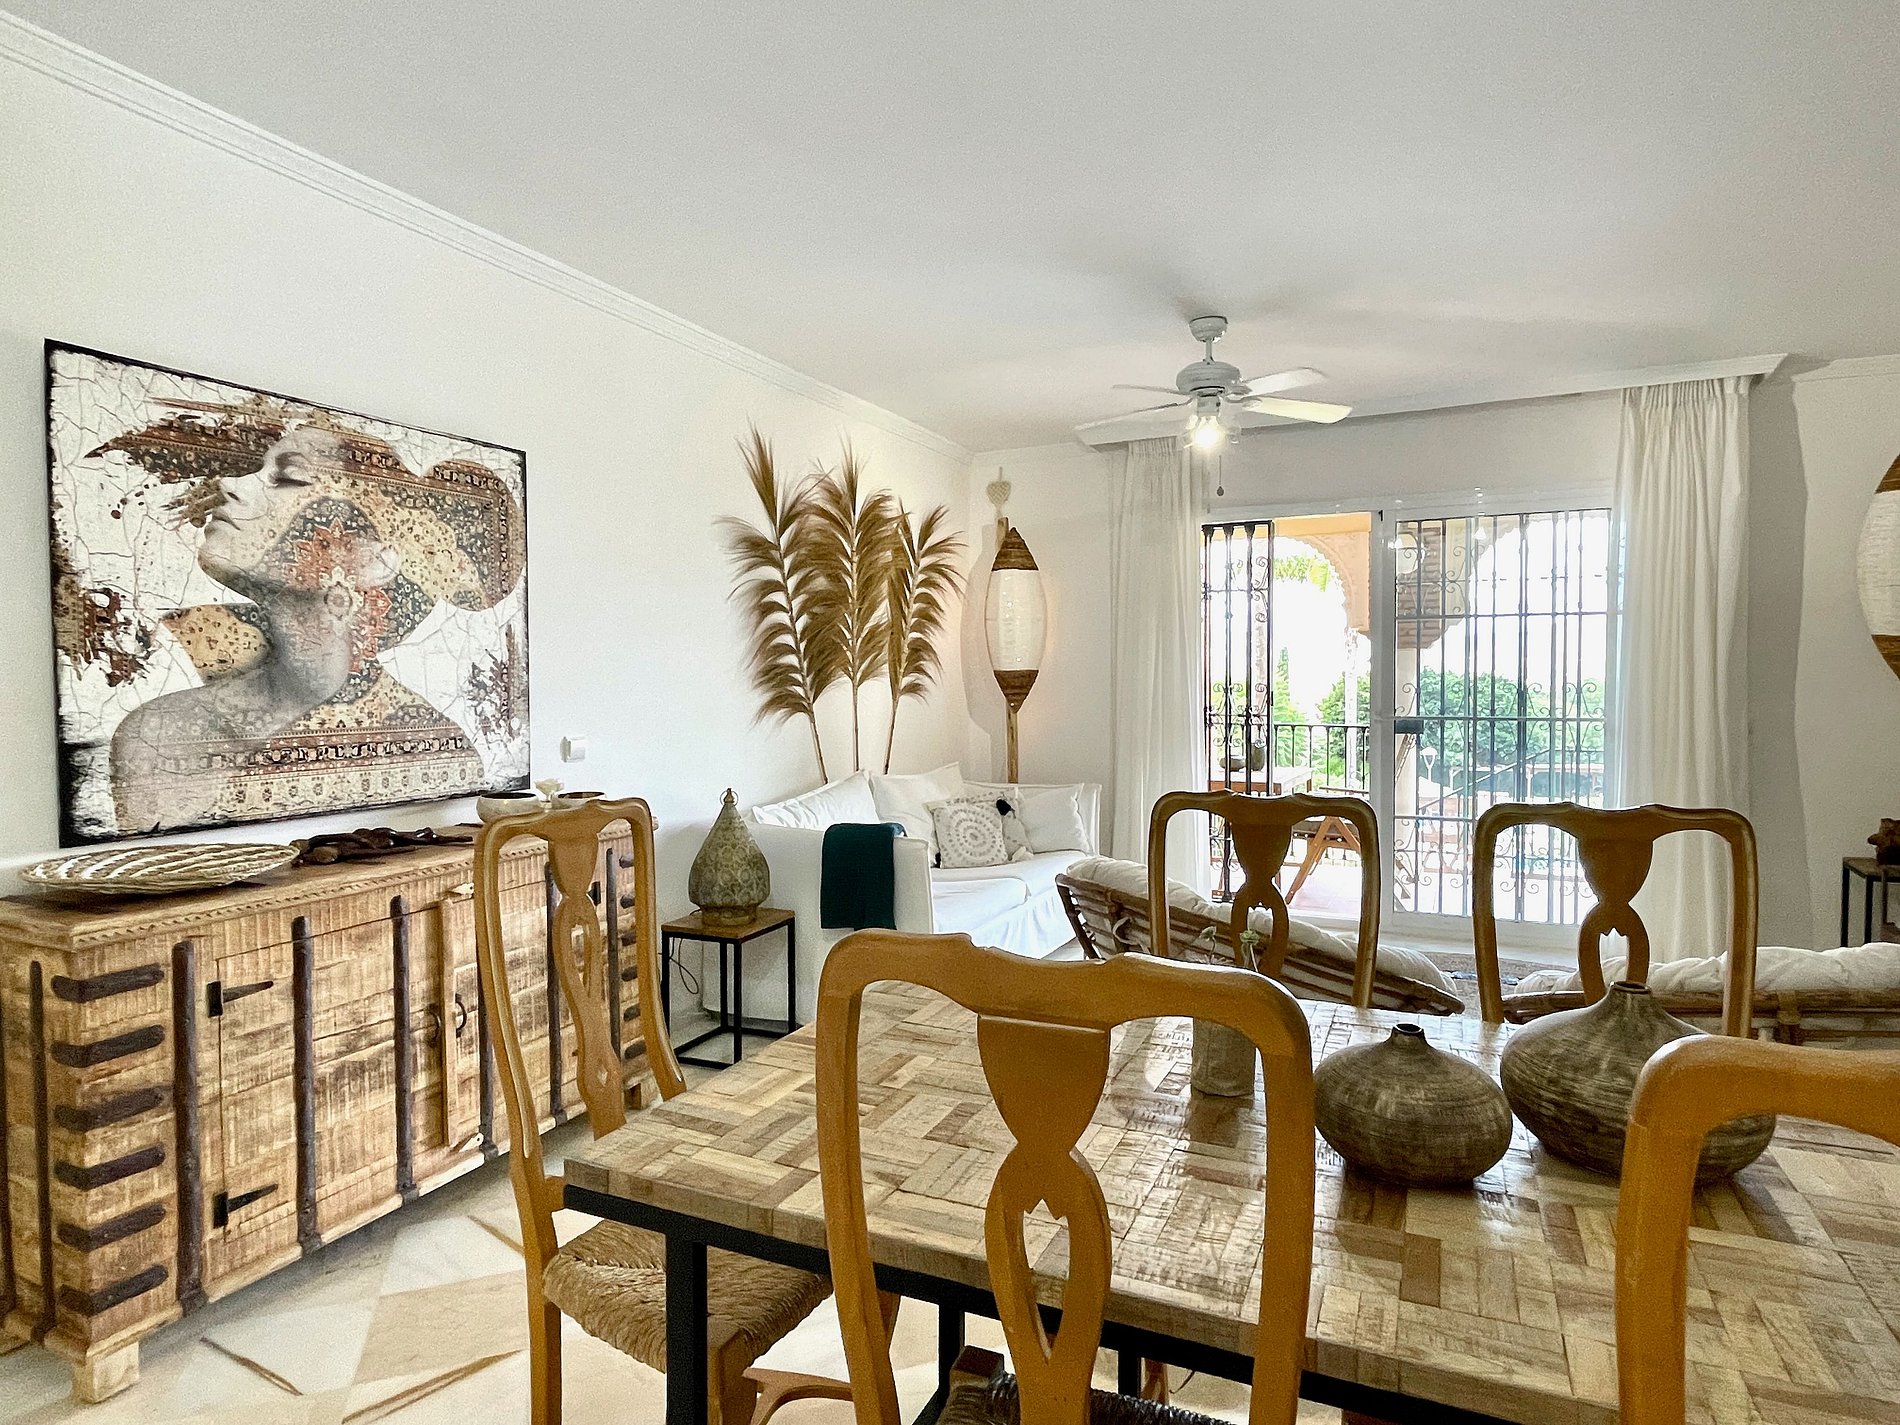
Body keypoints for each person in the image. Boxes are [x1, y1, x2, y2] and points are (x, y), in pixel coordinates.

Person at [108, 416, 523, 834]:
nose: (232, 484)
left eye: (288, 477)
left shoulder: (438, 747)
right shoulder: (157, 732)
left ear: (377, 561)